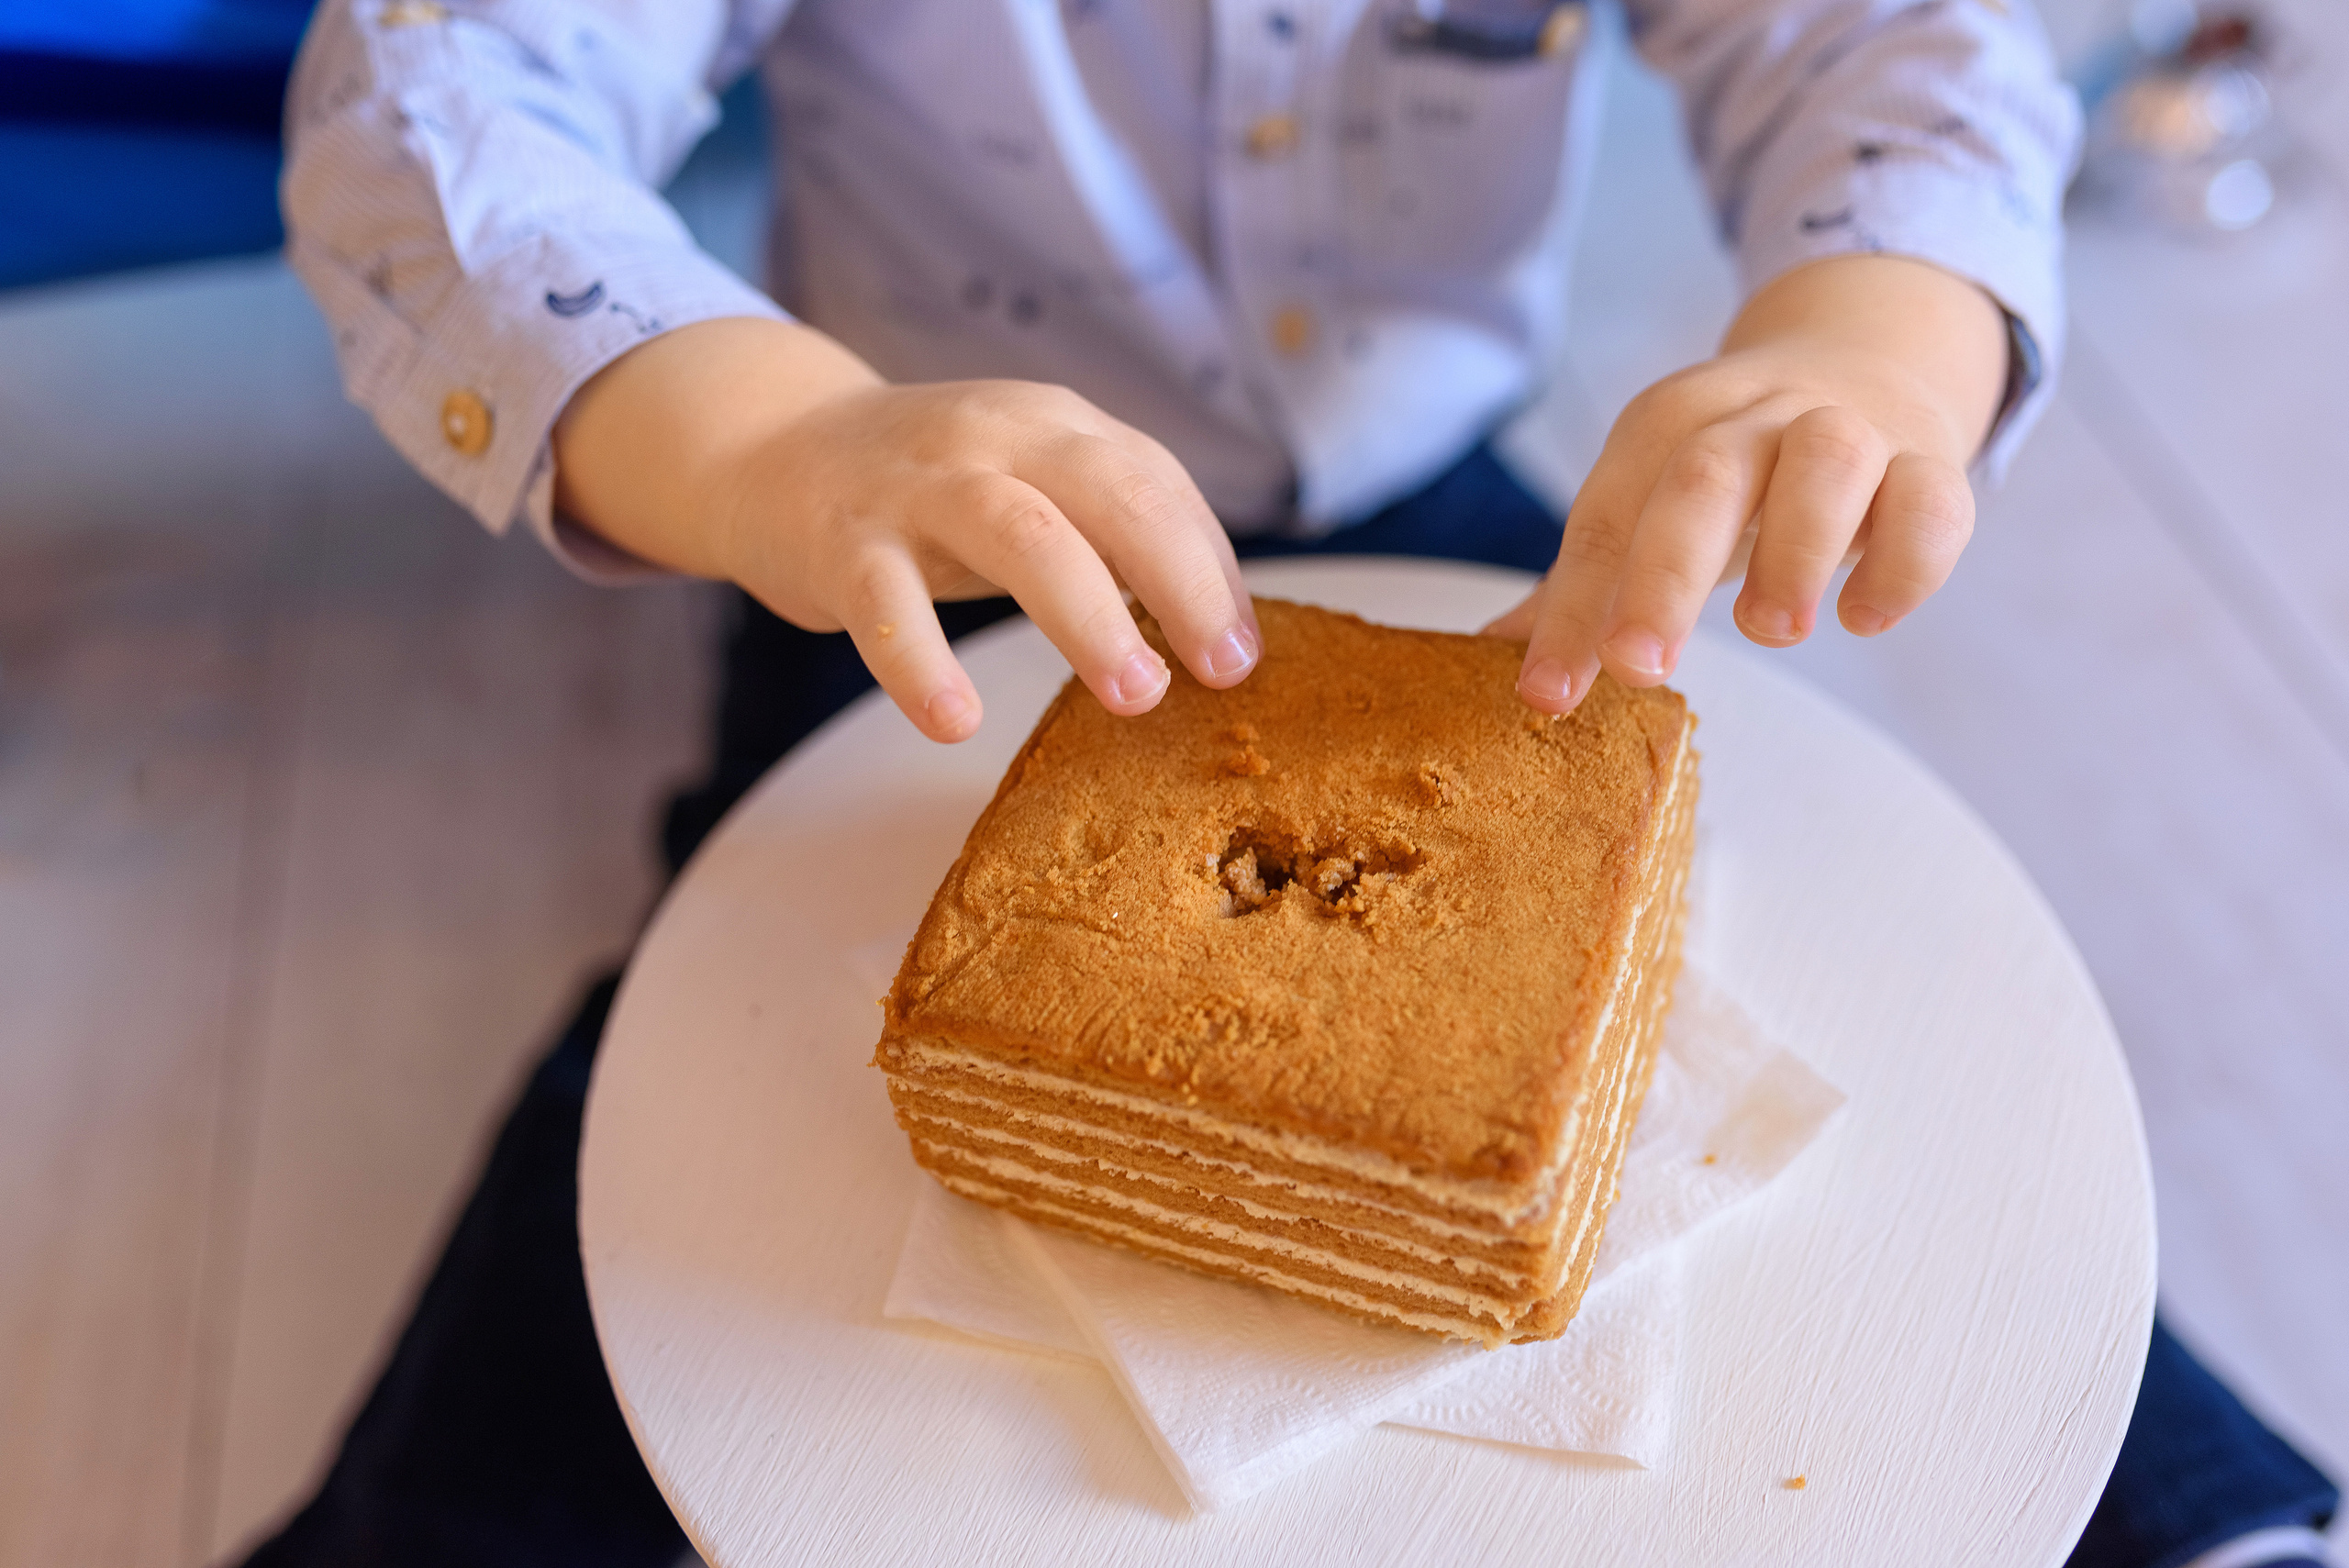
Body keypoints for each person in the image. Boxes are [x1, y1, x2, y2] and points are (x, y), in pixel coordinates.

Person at [250, 1, 2337, 1564]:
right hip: (913, 511)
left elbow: (1894, 45)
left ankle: (2192, 1515)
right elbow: (424, 109)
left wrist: (1878, 342)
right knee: (711, 1052)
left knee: (1746, 1090)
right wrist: (760, 440)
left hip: (1425, 482)